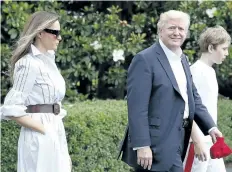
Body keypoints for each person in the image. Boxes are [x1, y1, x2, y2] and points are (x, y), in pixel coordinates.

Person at [118, 10, 223, 172]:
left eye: (181, 29)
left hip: (178, 140)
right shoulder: (144, 60)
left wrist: (210, 127)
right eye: (172, 28)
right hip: (154, 146)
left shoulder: (183, 59)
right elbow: (136, 108)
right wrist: (142, 145)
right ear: (160, 30)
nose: (177, 33)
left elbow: (192, 97)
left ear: (186, 33)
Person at [0, 11, 71, 172]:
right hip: (38, 136)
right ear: (40, 33)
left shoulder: (49, 61)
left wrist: (54, 132)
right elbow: (11, 108)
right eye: (55, 33)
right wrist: (43, 130)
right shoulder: (28, 63)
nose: (59, 38)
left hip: (56, 129)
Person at [185, 26, 231, 172]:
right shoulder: (196, 72)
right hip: (198, 141)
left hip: (210, 140)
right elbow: (189, 108)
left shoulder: (209, 71)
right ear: (211, 48)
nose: (227, 53)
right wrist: (195, 140)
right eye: (224, 49)